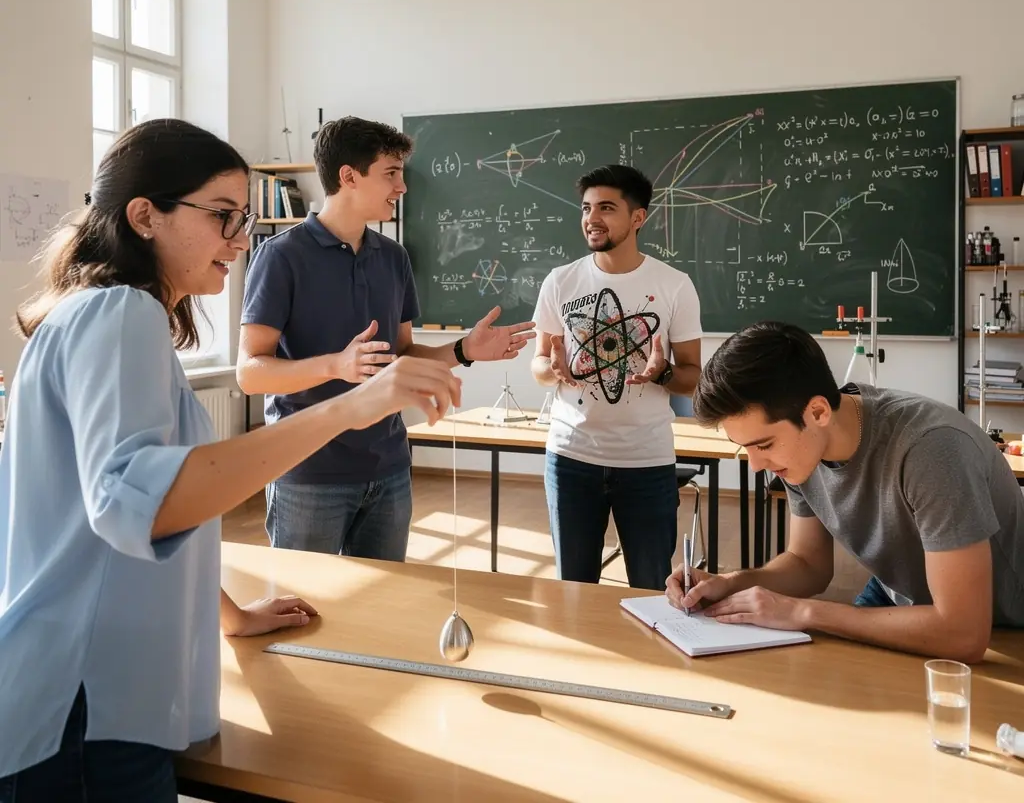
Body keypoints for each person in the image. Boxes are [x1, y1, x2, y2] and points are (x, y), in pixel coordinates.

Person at [0, 119, 461, 799]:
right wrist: (348, 405)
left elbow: (133, 508)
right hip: (85, 704)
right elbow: (139, 502)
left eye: (242, 219)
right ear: (144, 216)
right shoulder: (118, 312)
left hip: (96, 696)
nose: (241, 240)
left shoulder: (110, 315)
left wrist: (228, 614)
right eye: (222, 217)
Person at [237, 116, 534, 561]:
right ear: (348, 177)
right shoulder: (280, 257)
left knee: (382, 612)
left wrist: (463, 351)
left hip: (389, 468)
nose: (403, 188)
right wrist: (335, 365)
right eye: (391, 174)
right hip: (307, 470)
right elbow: (250, 373)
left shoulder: (393, 258)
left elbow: (403, 355)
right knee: (302, 612)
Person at [667, 320, 1024, 662]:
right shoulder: (801, 452)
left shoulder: (931, 450)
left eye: (764, 444)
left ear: (818, 411)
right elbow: (808, 565)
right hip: (901, 597)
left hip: (1002, 622)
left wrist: (804, 611)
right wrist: (729, 583)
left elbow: (963, 634)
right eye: (745, 447)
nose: (757, 465)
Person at [531, 164, 703, 590]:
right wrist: (553, 371)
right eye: (587, 208)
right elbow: (538, 365)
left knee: (651, 589)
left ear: (638, 218)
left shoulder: (674, 286)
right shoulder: (560, 281)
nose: (592, 218)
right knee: (574, 588)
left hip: (646, 462)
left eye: (606, 208)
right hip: (570, 460)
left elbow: (693, 377)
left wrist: (662, 373)